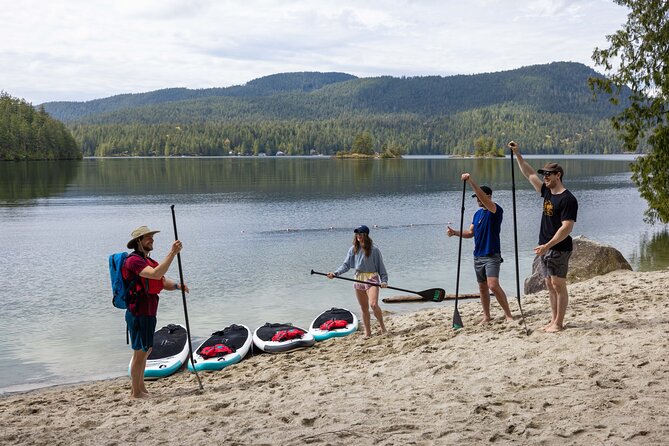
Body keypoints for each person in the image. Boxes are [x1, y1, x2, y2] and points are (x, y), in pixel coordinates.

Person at [508, 141, 578, 333]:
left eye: (548, 174)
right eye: (544, 174)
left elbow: (567, 227)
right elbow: (529, 173)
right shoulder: (546, 192)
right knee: (549, 284)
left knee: (558, 284)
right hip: (545, 247)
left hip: (559, 248)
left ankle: (559, 323)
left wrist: (548, 245)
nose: (544, 177)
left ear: (558, 175)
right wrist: (517, 154)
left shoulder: (568, 199)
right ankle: (553, 319)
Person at [122, 225, 189, 398]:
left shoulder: (148, 260)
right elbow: (155, 274)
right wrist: (172, 253)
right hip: (138, 312)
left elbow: (162, 281)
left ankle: (141, 389)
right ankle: (136, 393)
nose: (152, 239)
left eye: (152, 236)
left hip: (149, 312)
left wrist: (178, 286)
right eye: (148, 237)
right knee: (140, 352)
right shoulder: (134, 261)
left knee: (146, 350)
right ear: (138, 241)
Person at [447, 173, 514, 324]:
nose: (477, 200)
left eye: (479, 197)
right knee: (483, 287)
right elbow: (471, 233)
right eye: (476, 198)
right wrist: (455, 233)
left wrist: (470, 181)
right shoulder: (477, 215)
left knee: (493, 285)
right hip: (478, 256)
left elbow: (483, 198)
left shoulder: (495, 210)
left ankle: (508, 314)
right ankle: (487, 316)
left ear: (488, 196)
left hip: (491, 254)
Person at [327, 225, 388, 338]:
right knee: (364, 308)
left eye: (360, 233)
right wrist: (335, 273)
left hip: (372, 278)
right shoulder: (353, 249)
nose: (358, 236)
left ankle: (382, 327)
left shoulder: (374, 250)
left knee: (373, 304)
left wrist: (384, 280)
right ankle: (368, 332)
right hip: (358, 278)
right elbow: (346, 265)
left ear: (366, 235)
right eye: (357, 233)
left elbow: (381, 267)